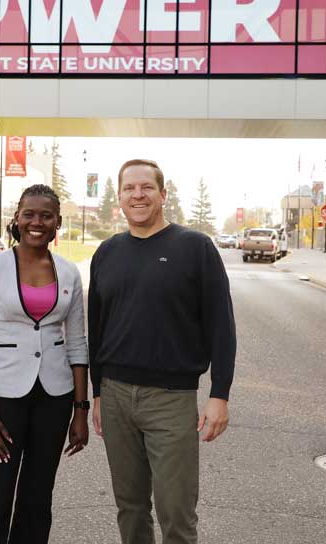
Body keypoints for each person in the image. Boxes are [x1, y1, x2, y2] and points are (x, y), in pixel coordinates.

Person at [88, 159, 237, 544]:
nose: (137, 195)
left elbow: (221, 325)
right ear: (119, 197)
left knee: (176, 513)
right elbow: (97, 328)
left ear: (162, 194)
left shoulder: (195, 248)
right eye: (129, 189)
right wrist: (98, 393)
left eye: (146, 187)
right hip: (116, 395)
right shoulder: (106, 253)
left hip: (171, 400)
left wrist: (219, 394)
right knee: (131, 508)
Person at [0, 184, 89, 544]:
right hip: (4, 398)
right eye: (29, 214)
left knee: (37, 498)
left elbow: (78, 343)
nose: (37, 222)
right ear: (16, 219)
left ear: (57, 222)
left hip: (55, 397)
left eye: (46, 215)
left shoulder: (68, 272)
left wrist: (80, 409)